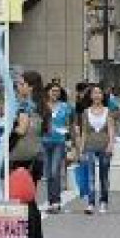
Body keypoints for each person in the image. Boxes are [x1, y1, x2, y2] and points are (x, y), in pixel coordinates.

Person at [11, 71, 48, 238]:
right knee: (30, 198)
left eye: (21, 83)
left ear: (30, 86)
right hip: (36, 156)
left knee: (24, 199)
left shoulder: (25, 105)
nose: (18, 86)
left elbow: (22, 129)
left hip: (23, 157)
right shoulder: (41, 106)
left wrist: (8, 133)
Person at [78, 84, 115, 215]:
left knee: (104, 176)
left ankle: (104, 201)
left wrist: (111, 143)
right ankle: (91, 203)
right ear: (91, 96)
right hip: (89, 146)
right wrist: (81, 150)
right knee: (91, 176)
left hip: (105, 146)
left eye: (99, 93)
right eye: (94, 93)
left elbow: (111, 129)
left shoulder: (108, 110)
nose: (97, 95)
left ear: (102, 96)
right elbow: (84, 133)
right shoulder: (85, 112)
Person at [43, 81, 72, 213]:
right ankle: (51, 202)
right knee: (48, 173)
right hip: (44, 142)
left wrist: (69, 138)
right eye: (53, 91)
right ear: (47, 92)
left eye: (57, 91)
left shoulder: (65, 106)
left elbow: (69, 125)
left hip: (59, 141)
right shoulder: (42, 106)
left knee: (55, 171)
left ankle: (56, 201)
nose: (55, 93)